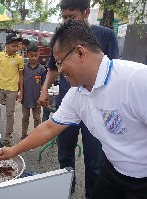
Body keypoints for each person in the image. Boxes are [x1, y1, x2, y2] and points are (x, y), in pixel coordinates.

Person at [0, 20, 147, 199]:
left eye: (60, 62)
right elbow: (49, 128)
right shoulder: (76, 94)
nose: (59, 70)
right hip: (113, 169)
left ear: (80, 52)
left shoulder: (138, 80)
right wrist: (14, 150)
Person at [37, 0, 120, 196]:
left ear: (86, 12)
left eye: (71, 17)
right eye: (64, 17)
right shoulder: (62, 38)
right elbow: (52, 68)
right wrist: (44, 90)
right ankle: (66, 189)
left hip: (97, 108)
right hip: (70, 104)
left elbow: (115, 68)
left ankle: (91, 194)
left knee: (95, 159)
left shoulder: (106, 35)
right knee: (65, 153)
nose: (66, 22)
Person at [0, 33, 24, 146]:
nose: (15, 48)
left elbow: (21, 76)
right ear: (6, 45)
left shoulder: (19, 59)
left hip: (12, 90)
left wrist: (21, 92)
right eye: (13, 46)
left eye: (17, 46)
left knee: (10, 113)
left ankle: (7, 135)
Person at [21, 44, 46, 140]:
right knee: (25, 118)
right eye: (31, 55)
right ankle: (24, 135)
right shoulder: (24, 68)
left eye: (36, 55)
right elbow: (21, 83)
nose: (34, 58)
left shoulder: (42, 69)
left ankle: (36, 135)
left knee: (37, 118)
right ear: (27, 55)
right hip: (26, 99)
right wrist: (20, 94)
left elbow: (44, 84)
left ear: (39, 55)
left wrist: (42, 96)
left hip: (37, 99)